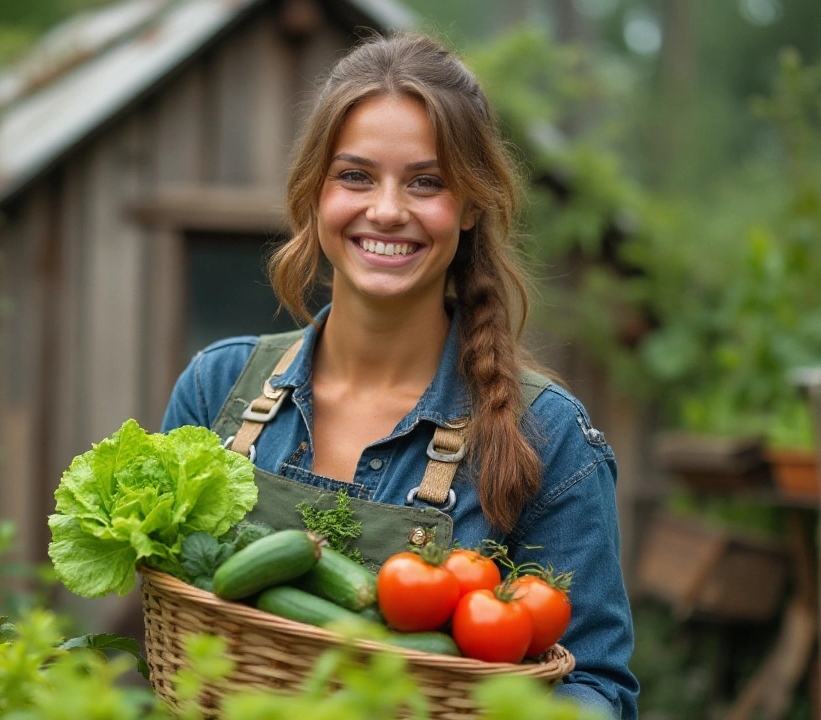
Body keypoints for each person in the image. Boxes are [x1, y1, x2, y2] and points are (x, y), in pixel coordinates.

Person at [162, 33, 638, 719]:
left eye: (426, 182)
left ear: (471, 204)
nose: (386, 210)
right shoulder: (217, 387)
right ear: (315, 192)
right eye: (355, 176)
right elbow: (166, 611)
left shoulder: (549, 437)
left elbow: (596, 688)